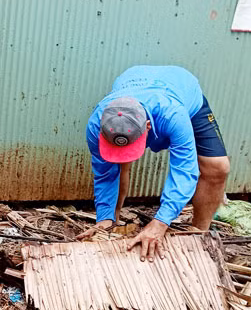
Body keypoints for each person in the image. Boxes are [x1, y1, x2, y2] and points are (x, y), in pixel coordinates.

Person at [78, 65, 230, 262]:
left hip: (182, 91)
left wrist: (161, 221)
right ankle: (111, 224)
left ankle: (198, 236)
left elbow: (184, 170)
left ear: (148, 127)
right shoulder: (96, 124)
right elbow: (105, 173)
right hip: (135, 81)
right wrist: (103, 219)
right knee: (116, 164)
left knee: (218, 167)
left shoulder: (173, 116)